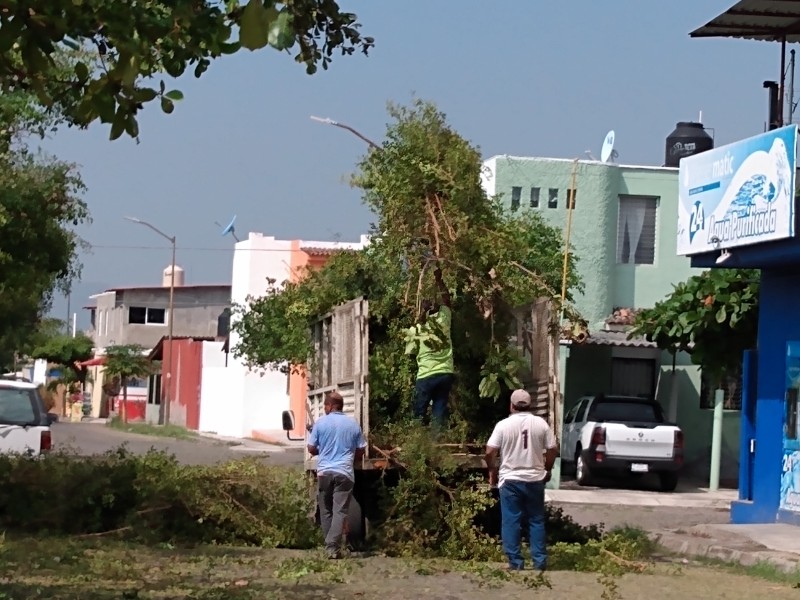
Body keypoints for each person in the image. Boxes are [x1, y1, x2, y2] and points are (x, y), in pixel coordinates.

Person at [485, 389, 558, 572]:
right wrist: (547, 468)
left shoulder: (503, 425)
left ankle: (515, 562)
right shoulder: (541, 424)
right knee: (536, 520)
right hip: (534, 479)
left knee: (511, 521)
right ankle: (539, 562)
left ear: (511, 405)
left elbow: (490, 451)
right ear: (530, 405)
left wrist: (492, 470)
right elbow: (552, 449)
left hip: (510, 479)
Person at [307, 391, 368, 559]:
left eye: (325, 406)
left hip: (325, 473)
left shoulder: (321, 423)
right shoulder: (353, 424)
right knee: (339, 511)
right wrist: (349, 455)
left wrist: (323, 450)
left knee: (326, 510)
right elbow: (361, 450)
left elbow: (311, 448)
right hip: (345, 474)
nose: (325, 409)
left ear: (330, 406)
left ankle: (330, 546)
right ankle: (331, 547)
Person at [407, 266, 454, 427]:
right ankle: (435, 442)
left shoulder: (419, 328)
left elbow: (411, 350)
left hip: (426, 374)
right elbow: (447, 300)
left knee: (419, 411)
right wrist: (439, 280)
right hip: (445, 372)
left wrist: (422, 312)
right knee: (439, 411)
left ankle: (418, 440)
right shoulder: (444, 320)